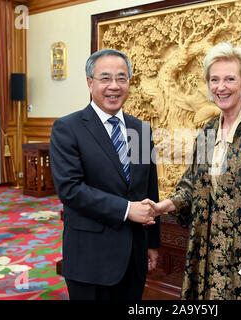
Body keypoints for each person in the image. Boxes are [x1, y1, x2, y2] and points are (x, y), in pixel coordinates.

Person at [143, 42, 241, 300]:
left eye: (230, 79)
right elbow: (191, 186)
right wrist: (165, 206)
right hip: (211, 246)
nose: (221, 87)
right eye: (214, 79)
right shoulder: (207, 132)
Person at [50, 49, 160, 300]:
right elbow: (71, 189)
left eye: (122, 78)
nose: (114, 86)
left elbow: (149, 190)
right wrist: (126, 209)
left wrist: (152, 243)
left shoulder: (141, 129)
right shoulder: (68, 128)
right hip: (90, 259)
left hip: (134, 256)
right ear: (90, 83)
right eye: (105, 78)